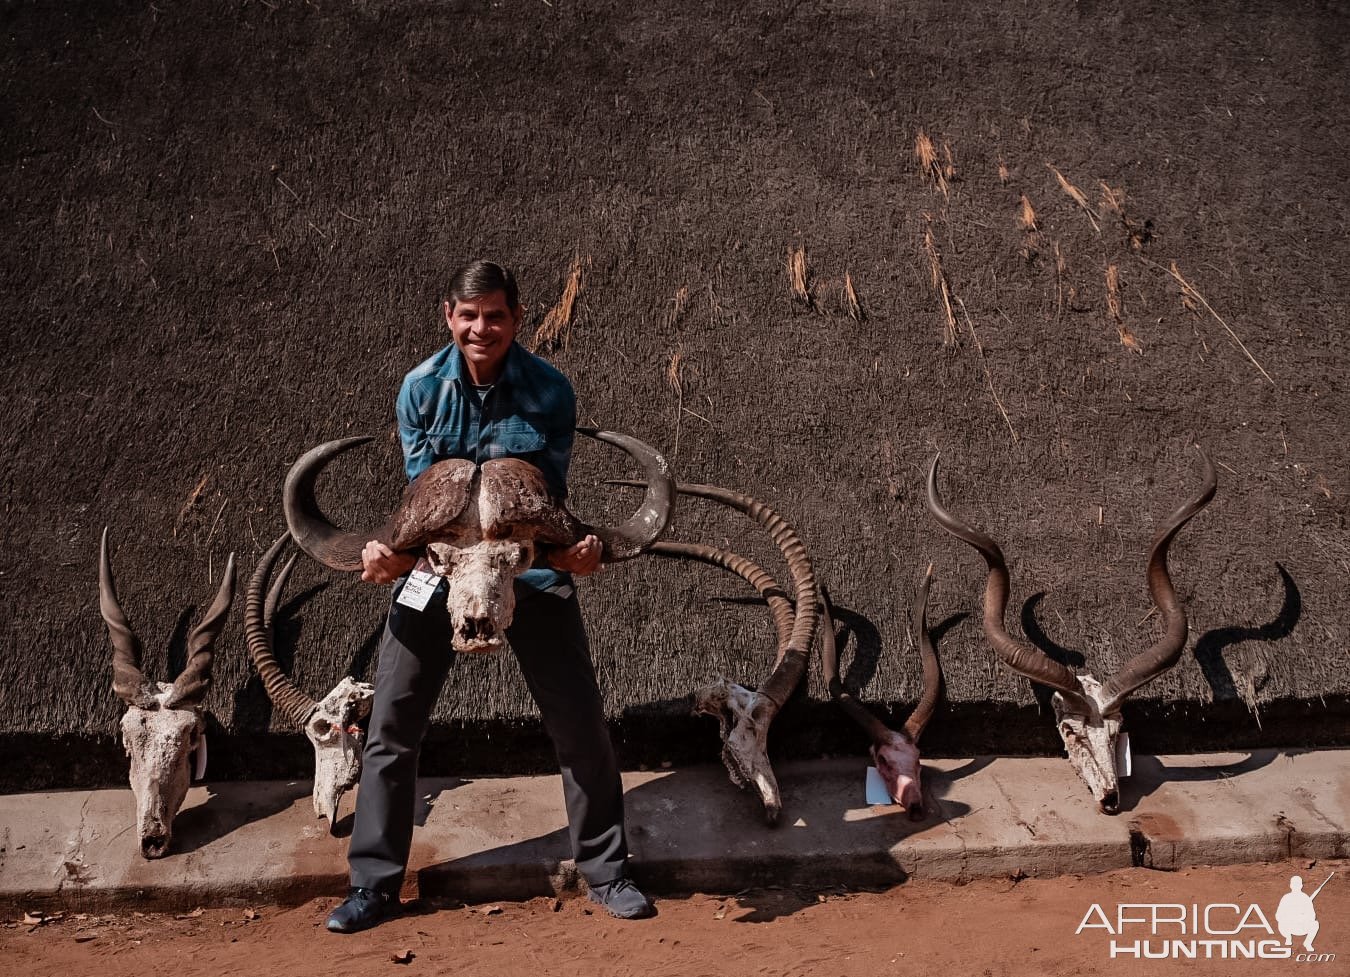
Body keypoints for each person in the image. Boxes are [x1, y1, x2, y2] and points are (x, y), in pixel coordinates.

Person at [326, 260, 654, 932]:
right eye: (469, 316)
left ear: (516, 318)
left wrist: (576, 553)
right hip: (442, 572)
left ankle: (607, 870)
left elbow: (549, 500)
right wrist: (388, 555)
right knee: (390, 728)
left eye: (495, 315)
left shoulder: (551, 391)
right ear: (449, 315)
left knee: (581, 725)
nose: (482, 328)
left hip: (525, 570)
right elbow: (425, 503)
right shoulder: (419, 389)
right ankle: (375, 884)